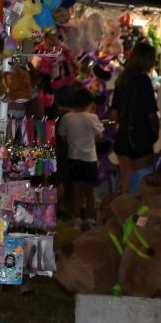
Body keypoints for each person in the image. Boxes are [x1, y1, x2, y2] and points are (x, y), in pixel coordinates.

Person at [111, 39, 160, 192]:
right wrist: (155, 132)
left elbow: (114, 114)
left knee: (126, 182)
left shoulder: (121, 80)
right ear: (146, 60)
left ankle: (124, 213)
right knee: (143, 183)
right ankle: (138, 215)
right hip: (140, 138)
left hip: (123, 137)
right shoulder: (144, 80)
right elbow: (152, 114)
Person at [59, 88, 103, 228]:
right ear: (90, 103)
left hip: (73, 157)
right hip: (90, 158)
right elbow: (99, 137)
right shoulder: (92, 118)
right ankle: (90, 219)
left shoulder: (67, 117)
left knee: (76, 191)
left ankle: (76, 218)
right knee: (89, 192)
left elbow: (63, 136)